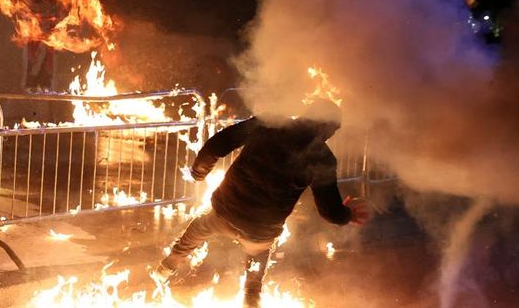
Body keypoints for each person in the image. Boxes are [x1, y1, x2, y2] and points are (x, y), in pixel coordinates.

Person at [152, 100, 370, 307]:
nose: (332, 135)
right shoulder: (322, 158)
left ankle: (164, 270)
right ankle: (250, 302)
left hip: (223, 212)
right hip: (260, 232)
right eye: (333, 129)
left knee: (196, 232)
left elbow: (219, 143)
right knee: (254, 281)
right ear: (323, 125)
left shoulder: (270, 123)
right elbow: (330, 211)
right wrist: (347, 214)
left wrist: (199, 171)